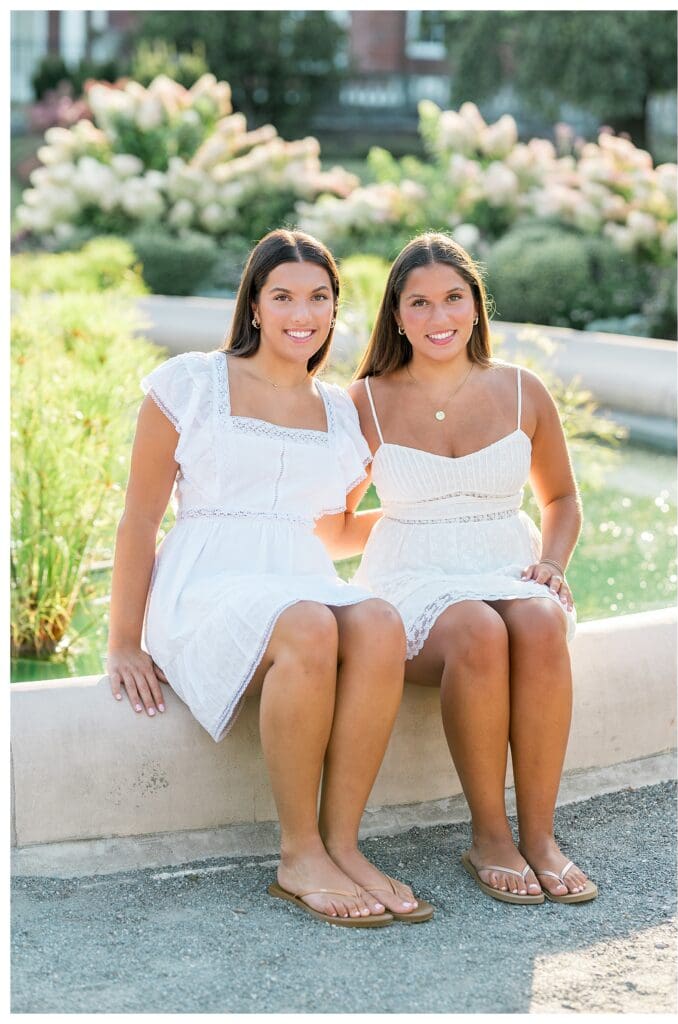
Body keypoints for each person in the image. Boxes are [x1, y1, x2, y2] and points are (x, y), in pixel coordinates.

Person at [106, 229, 433, 926]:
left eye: (318, 297)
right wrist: (122, 642)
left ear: (334, 309)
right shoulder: (191, 383)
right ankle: (297, 852)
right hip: (204, 586)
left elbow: (334, 534)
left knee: (378, 620)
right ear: (255, 303)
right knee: (311, 622)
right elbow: (139, 521)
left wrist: (428, 518)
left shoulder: (339, 412)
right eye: (282, 296)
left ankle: (343, 843)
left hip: (295, 575)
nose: (301, 314)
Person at [350, 232, 597, 905]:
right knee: (476, 631)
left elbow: (564, 499)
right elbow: (327, 523)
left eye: (454, 298)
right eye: (420, 303)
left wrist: (550, 562)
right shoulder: (363, 401)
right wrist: (413, 526)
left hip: (505, 562)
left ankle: (540, 837)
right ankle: (490, 835)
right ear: (396, 315)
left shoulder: (523, 391)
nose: (439, 319)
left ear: (476, 305)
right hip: (411, 579)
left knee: (542, 621)